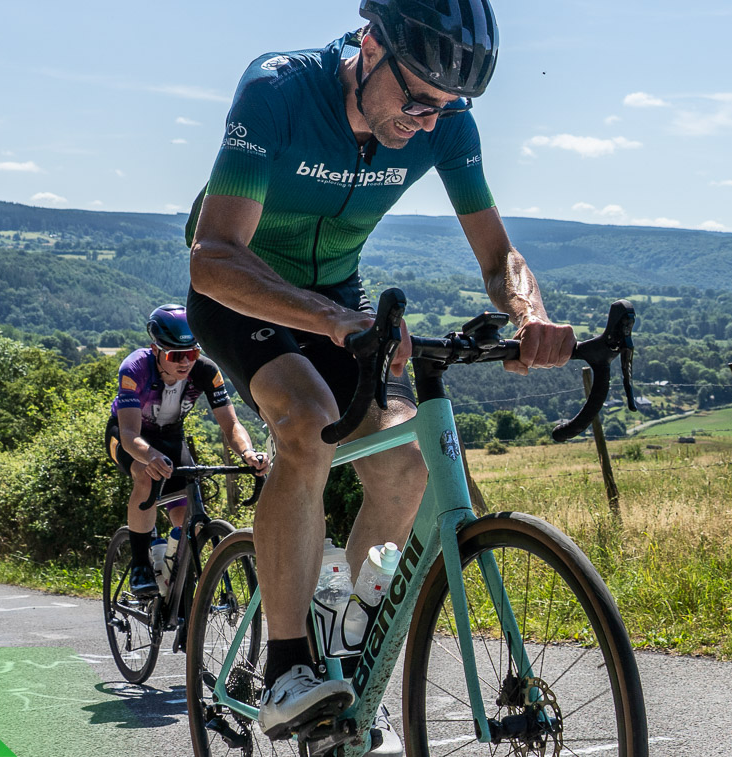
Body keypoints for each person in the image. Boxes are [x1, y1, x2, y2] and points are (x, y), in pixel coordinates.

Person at [186, 0, 575, 739]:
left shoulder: (447, 123)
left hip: (337, 296)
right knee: (305, 421)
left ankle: (356, 675)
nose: (428, 121)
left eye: (445, 105)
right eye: (417, 98)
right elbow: (212, 257)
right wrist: (329, 320)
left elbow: (498, 257)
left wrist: (530, 314)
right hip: (244, 286)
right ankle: (286, 665)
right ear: (370, 46)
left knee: (405, 465)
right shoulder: (279, 90)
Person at [109, 303, 270, 597]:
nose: (186, 363)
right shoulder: (134, 369)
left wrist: (248, 452)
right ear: (155, 349)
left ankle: (178, 579)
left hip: (171, 437)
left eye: (192, 354)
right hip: (128, 436)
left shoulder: (207, 371)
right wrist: (150, 456)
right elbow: (130, 434)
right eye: (176, 356)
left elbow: (231, 424)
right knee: (146, 477)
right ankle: (141, 566)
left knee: (187, 517)